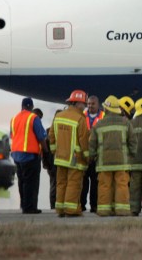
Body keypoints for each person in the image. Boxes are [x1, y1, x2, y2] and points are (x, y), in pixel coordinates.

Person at [88, 96, 137, 217]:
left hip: (104, 162)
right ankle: (122, 210)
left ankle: (104, 210)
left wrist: (93, 157)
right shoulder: (126, 123)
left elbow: (92, 144)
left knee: (104, 185)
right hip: (122, 162)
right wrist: (130, 156)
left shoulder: (99, 124)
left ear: (106, 108)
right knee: (122, 185)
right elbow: (133, 142)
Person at [49, 89, 89, 217]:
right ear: (78, 104)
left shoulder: (58, 116)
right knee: (73, 184)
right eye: (84, 104)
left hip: (60, 158)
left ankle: (60, 209)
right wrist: (88, 157)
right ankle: (71, 210)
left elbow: (51, 135)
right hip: (75, 159)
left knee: (61, 183)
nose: (85, 107)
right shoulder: (80, 119)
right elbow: (84, 141)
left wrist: (54, 151)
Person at [10, 97, 49, 214]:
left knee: (21, 181)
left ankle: (23, 205)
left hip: (16, 155)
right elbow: (41, 137)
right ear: (31, 107)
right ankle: (30, 208)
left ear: (22, 106)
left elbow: (13, 136)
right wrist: (46, 151)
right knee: (30, 182)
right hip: (30, 155)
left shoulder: (14, 119)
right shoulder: (33, 118)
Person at [81, 95, 104, 213]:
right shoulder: (82, 116)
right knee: (83, 182)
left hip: (97, 156)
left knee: (95, 183)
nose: (90, 106)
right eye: (88, 103)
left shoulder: (103, 116)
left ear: (98, 104)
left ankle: (94, 205)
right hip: (85, 155)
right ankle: (81, 205)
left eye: (92, 104)